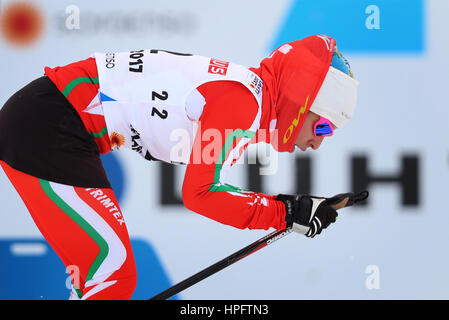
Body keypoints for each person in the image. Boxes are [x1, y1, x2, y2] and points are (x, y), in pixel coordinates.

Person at [0, 35, 363, 300]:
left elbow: (209, 189)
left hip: (51, 124)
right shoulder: (242, 104)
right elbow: (201, 194)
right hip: (49, 126)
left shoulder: (248, 100)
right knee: (110, 273)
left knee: (107, 274)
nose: (319, 141)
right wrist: (284, 212)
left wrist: (287, 210)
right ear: (300, 99)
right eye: (323, 125)